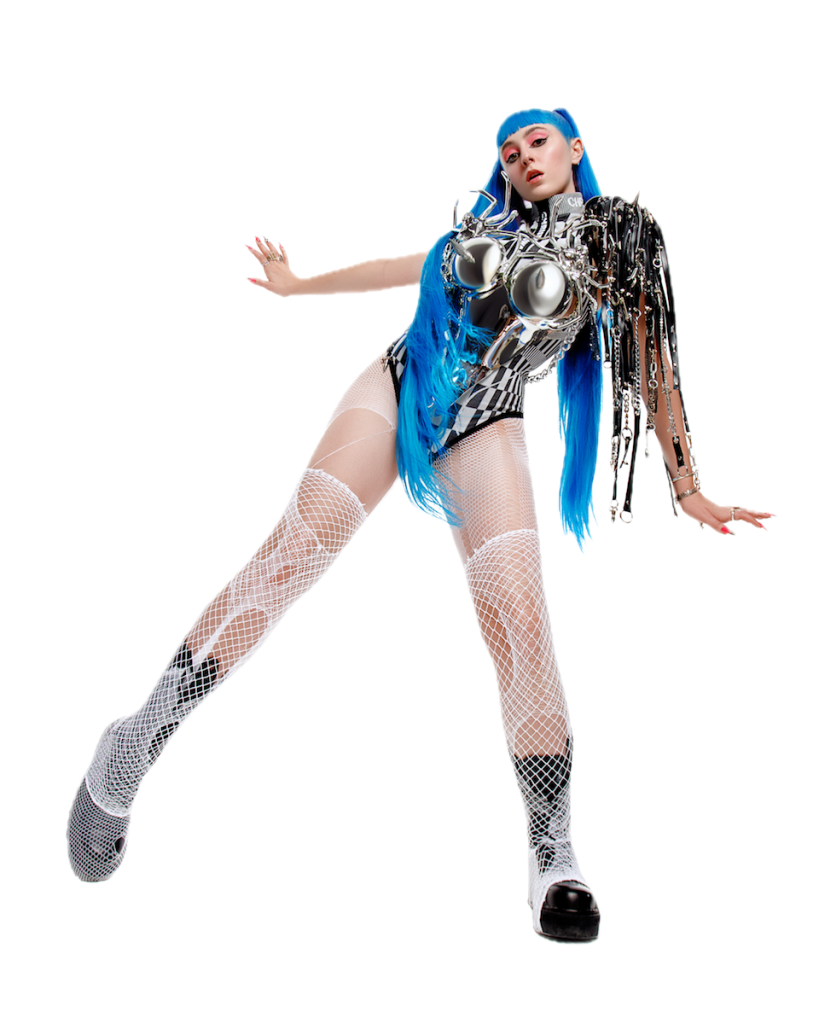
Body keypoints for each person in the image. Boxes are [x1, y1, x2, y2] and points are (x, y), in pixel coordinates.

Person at [64, 105, 775, 944]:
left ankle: (552, 850)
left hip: (487, 420)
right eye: (507, 151)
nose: (522, 158)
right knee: (290, 556)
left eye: (537, 142)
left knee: (521, 618)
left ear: (574, 147)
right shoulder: (484, 227)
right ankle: (134, 742)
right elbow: (402, 269)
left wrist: (687, 487)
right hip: (400, 385)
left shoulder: (619, 241)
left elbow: (653, 363)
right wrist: (299, 283)